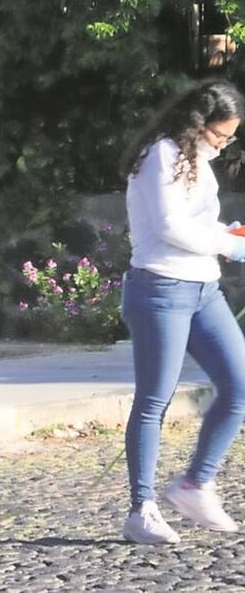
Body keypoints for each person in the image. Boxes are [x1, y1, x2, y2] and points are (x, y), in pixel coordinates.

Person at [119, 79, 245, 544]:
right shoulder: (161, 155)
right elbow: (170, 226)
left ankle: (195, 485)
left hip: (204, 290)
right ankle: (142, 509)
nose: (224, 144)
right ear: (197, 123)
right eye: (220, 135)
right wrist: (227, 245)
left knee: (240, 384)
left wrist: (227, 233)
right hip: (160, 288)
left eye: (230, 137)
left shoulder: (199, 162)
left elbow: (198, 222)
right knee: (155, 398)